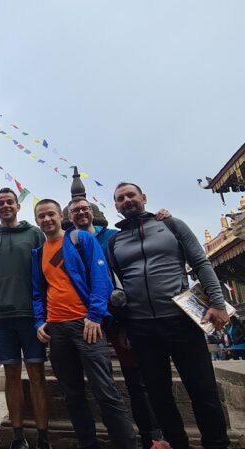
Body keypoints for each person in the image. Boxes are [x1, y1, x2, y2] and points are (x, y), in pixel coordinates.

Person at [108, 182, 230, 449]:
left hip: (180, 320)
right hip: (141, 326)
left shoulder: (171, 226)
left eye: (131, 195)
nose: (127, 200)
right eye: (120, 198)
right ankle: (176, 444)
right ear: (116, 205)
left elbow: (200, 263)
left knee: (203, 390)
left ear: (143, 197)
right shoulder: (115, 241)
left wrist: (218, 303)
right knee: (158, 395)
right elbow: (118, 280)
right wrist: (123, 323)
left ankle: (217, 444)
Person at [33, 199, 137, 449]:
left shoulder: (80, 240)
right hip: (56, 328)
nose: (47, 219)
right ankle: (87, 444)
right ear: (37, 221)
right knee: (72, 394)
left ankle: (126, 444)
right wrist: (39, 322)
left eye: (51, 214)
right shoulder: (38, 253)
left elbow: (101, 278)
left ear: (61, 216)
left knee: (105, 391)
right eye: (41, 216)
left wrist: (95, 314)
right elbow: (37, 292)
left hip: (86, 324)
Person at [68, 196, 163, 448]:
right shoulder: (69, 242)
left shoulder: (112, 237)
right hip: (88, 317)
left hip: (120, 313)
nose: (81, 213)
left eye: (85, 209)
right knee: (102, 379)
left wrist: (161, 219)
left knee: (135, 376)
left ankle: (152, 434)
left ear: (92, 212)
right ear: (69, 217)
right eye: (75, 210)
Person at [0, 188, 50, 449]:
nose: (6, 206)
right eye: (1, 203)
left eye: (10, 202)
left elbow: (45, 271)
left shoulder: (34, 234)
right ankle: (18, 436)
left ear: (17, 206)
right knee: (10, 376)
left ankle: (43, 437)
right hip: (2, 317)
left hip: (32, 315)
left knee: (36, 375)